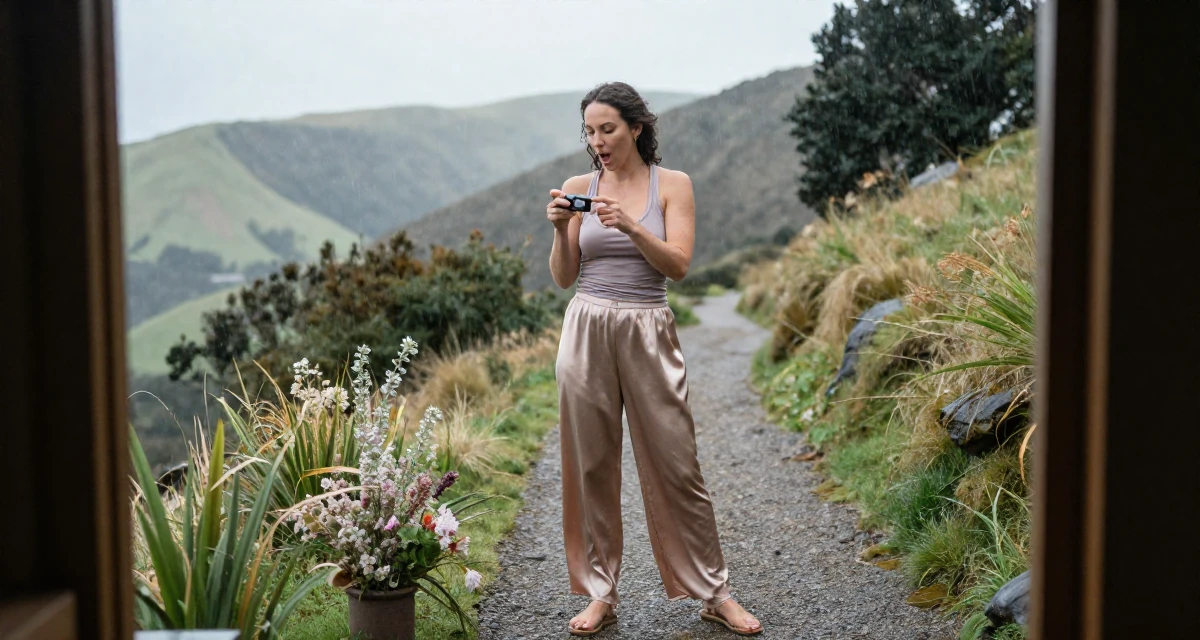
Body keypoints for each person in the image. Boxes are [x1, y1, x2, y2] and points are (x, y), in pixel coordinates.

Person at [545, 82, 764, 637]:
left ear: (637, 127)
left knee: (676, 462)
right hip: (587, 325)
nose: (597, 141)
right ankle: (601, 592)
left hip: (648, 325)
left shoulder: (674, 185)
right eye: (590, 132)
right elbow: (565, 277)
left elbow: (679, 265)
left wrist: (633, 226)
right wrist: (559, 231)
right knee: (591, 464)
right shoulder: (579, 187)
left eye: (608, 129)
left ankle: (714, 592)